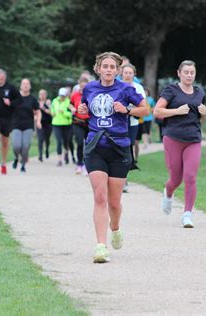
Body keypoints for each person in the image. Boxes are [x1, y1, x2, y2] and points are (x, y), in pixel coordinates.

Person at [78, 52, 148, 263]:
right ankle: (100, 246)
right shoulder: (89, 88)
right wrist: (81, 109)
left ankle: (115, 228)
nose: (108, 70)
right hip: (95, 146)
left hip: (119, 148)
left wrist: (127, 109)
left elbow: (145, 110)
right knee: (100, 196)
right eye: (105, 66)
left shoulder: (127, 89)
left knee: (114, 202)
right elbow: (84, 108)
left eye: (112, 67)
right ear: (98, 69)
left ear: (117, 70)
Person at [153, 60, 206, 228]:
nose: (189, 75)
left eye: (192, 72)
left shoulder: (199, 93)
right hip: (173, 138)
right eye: (186, 72)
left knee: (190, 176)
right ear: (179, 73)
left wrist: (204, 114)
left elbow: (201, 117)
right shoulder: (171, 91)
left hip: (193, 139)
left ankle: (187, 214)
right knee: (175, 180)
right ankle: (168, 192)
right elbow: (157, 111)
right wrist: (176, 111)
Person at [121, 63, 146, 193]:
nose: (128, 75)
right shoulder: (116, 86)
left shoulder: (138, 88)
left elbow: (144, 107)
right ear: (122, 74)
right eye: (126, 72)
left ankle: (124, 178)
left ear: (134, 74)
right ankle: (118, 179)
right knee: (119, 148)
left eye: (131, 73)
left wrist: (130, 109)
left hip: (133, 123)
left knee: (127, 148)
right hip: (119, 123)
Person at [11, 78, 42, 173]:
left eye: (27, 84)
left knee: (25, 147)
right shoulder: (15, 97)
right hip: (16, 124)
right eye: (23, 84)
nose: (25, 85)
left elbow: (38, 111)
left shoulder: (32, 99)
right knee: (16, 146)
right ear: (20, 86)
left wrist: (38, 121)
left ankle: (23, 165)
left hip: (28, 125)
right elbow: (9, 109)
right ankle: (16, 157)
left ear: (30, 86)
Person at [70, 77, 90, 175]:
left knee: (88, 144)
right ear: (79, 85)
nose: (82, 89)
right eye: (81, 87)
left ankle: (87, 165)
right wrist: (72, 108)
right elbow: (70, 104)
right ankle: (79, 164)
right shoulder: (75, 95)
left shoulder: (91, 94)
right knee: (79, 143)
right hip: (77, 122)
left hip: (89, 122)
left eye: (84, 87)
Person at [51, 87, 73, 166]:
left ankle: (66, 154)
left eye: (63, 96)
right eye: (61, 96)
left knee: (65, 142)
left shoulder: (69, 102)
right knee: (59, 142)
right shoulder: (54, 101)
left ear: (66, 96)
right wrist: (52, 112)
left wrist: (63, 112)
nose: (62, 97)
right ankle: (59, 160)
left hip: (67, 124)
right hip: (56, 124)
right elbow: (52, 109)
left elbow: (71, 114)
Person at [37, 89, 53, 162]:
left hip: (48, 123)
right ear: (39, 95)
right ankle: (40, 155)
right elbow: (34, 112)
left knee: (47, 139)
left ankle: (46, 149)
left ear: (46, 95)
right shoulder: (37, 103)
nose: (42, 95)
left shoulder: (48, 102)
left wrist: (43, 107)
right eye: (41, 94)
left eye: (44, 94)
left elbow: (51, 112)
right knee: (40, 139)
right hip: (40, 123)